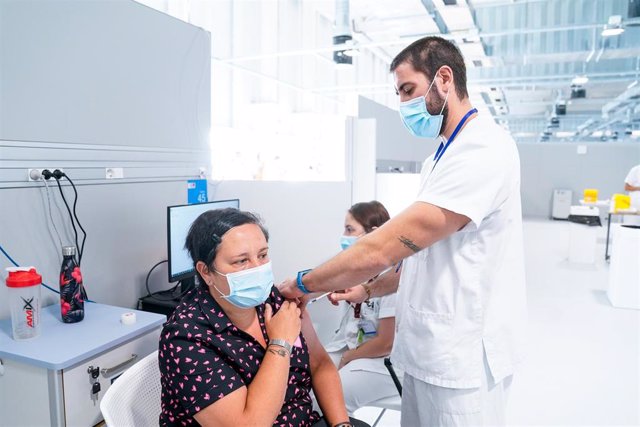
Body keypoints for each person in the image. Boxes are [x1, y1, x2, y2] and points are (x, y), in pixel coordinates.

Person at [279, 36, 526, 426]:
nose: (403, 105)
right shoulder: (437, 160)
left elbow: (384, 248)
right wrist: (367, 290)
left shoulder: (484, 149)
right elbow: (420, 257)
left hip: (462, 361)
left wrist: (302, 284)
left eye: (408, 90)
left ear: (444, 78)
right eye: (398, 94)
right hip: (425, 353)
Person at [158, 208, 365, 427]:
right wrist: (280, 343)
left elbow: (320, 365)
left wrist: (341, 424)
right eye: (241, 261)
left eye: (263, 255)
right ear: (206, 272)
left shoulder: (274, 301)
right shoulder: (187, 337)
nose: (258, 268)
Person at [323, 201, 402, 414]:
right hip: (359, 348)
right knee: (309, 378)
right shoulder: (361, 271)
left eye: (350, 229)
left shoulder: (391, 278)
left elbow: (386, 343)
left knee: (332, 395)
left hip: (385, 360)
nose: (344, 235)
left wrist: (349, 358)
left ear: (373, 233)